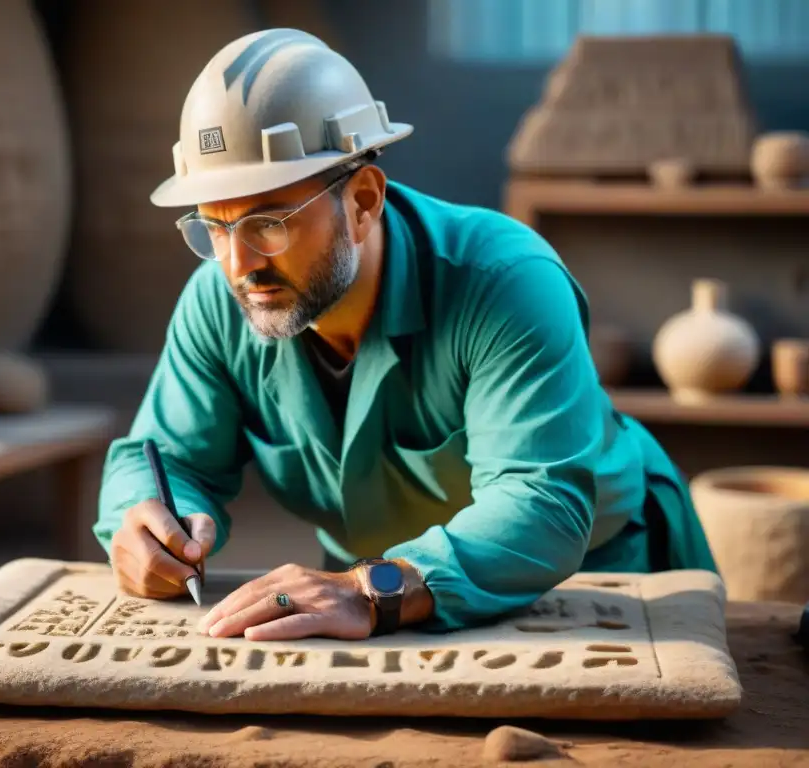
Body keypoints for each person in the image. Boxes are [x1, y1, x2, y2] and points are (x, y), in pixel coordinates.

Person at [94, 28, 717, 642]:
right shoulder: (219, 303)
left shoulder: (503, 281)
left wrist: (370, 590)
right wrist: (147, 522)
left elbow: (542, 502)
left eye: (269, 223)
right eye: (214, 227)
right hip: (377, 606)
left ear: (363, 201)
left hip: (592, 586)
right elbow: (163, 458)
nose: (239, 264)